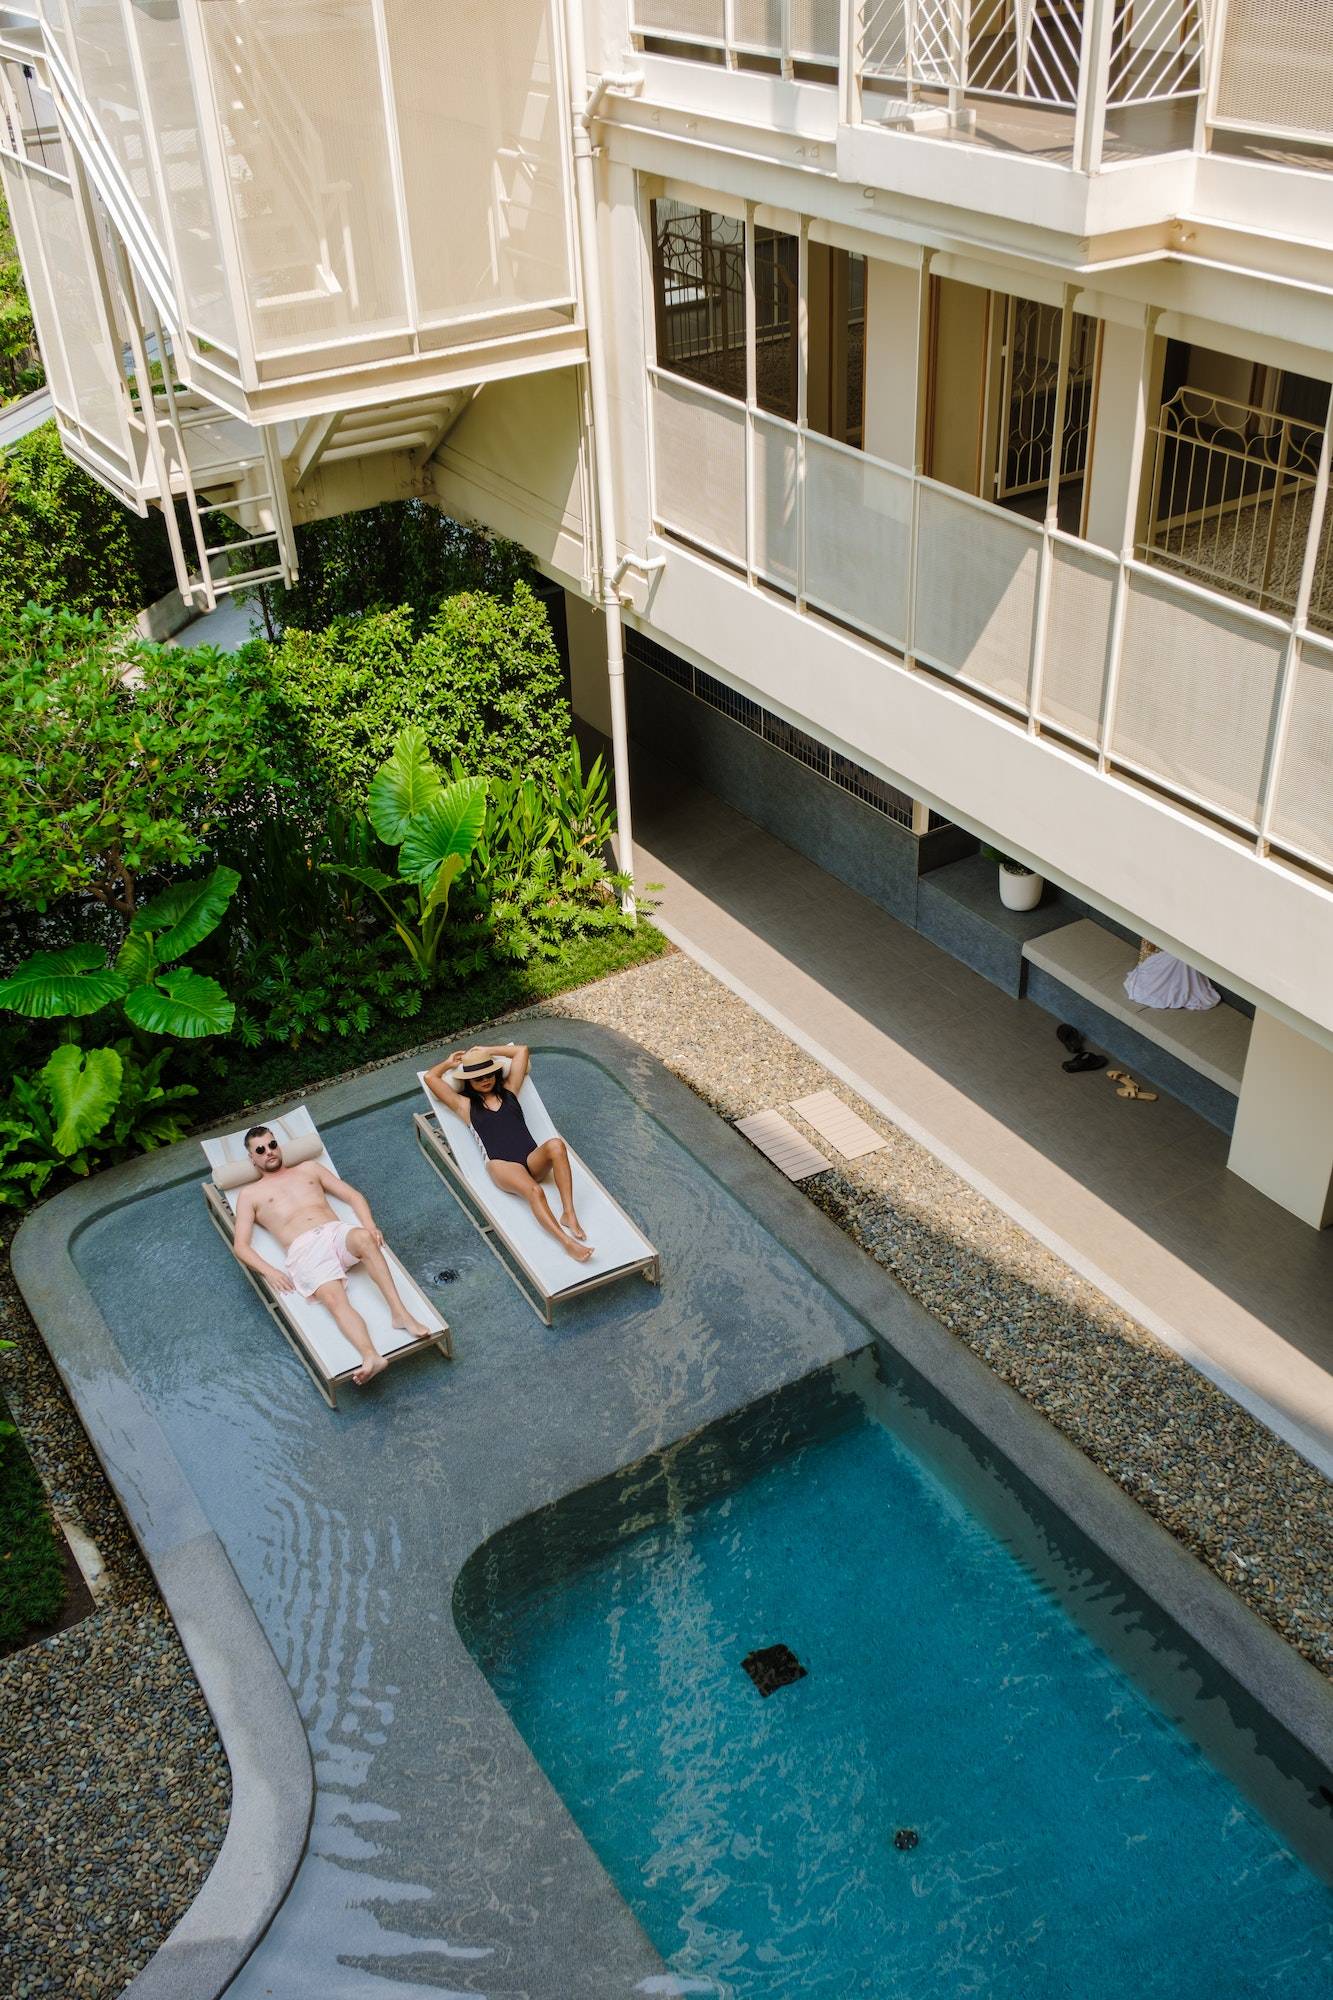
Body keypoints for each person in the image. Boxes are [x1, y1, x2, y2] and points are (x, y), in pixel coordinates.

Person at [232, 1126, 435, 1385]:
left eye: (272, 1145)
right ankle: (370, 1356)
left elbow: (353, 1196)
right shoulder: (249, 1195)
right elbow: (241, 1245)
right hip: (304, 1250)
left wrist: (370, 1226)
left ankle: (400, 1314)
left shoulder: (309, 1169)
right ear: (252, 1158)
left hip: (335, 1233)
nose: (269, 1152)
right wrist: (270, 1271)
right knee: (335, 1300)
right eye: (260, 1150)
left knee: (363, 1237)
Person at [423, 1042, 592, 1263]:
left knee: (556, 1145)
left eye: (489, 1075)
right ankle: (567, 1243)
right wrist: (447, 1063)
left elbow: (521, 1051)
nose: (485, 1080)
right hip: (502, 1165)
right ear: (469, 1083)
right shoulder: (463, 1105)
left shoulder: (511, 1090)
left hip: (532, 1159)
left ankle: (569, 1213)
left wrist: (486, 1050)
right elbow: (430, 1079)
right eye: (478, 1078)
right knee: (535, 1191)